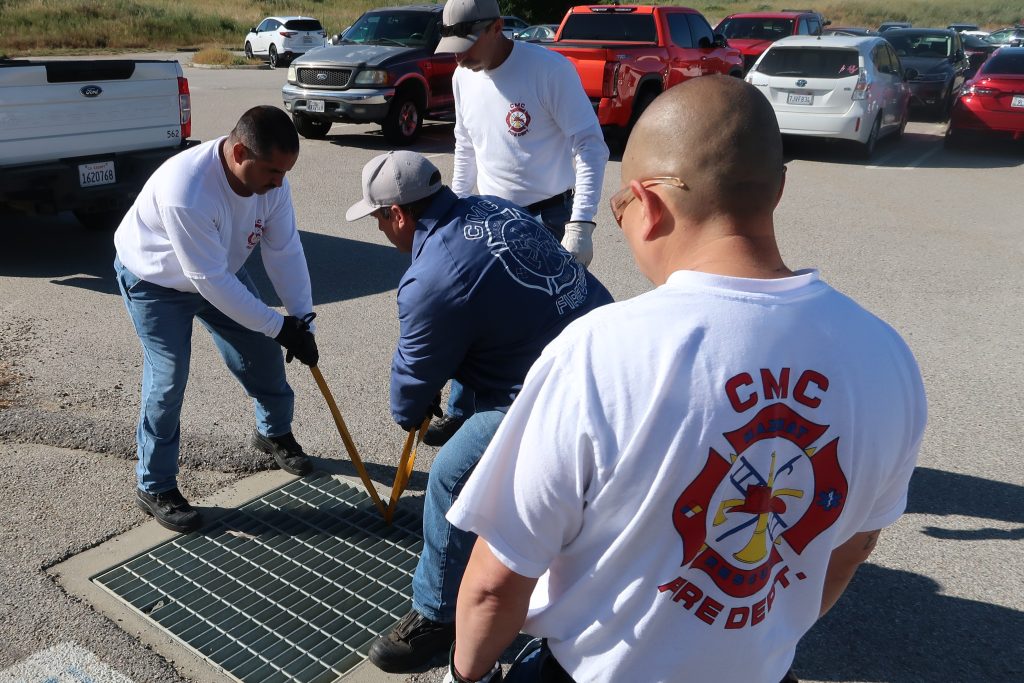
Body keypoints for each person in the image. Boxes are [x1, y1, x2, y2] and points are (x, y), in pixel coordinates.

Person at [444, 76, 928, 683]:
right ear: (776, 190)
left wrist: (467, 675)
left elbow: (495, 583)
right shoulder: (888, 357)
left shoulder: (601, 351)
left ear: (646, 205)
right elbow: (851, 547)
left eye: (618, 207)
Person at [344, 151, 613, 673]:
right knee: (472, 395)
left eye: (378, 218)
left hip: (555, 392)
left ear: (397, 215)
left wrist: (412, 411)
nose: (381, 229)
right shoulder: (494, 207)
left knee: (452, 477)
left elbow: (413, 378)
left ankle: (436, 616)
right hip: (601, 350)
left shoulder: (431, 276)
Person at [113, 105, 320, 534]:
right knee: (168, 378)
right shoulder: (187, 190)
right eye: (270, 172)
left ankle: (273, 434)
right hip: (157, 280)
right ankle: (155, 485)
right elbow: (208, 281)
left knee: (262, 354)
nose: (279, 184)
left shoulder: (273, 183)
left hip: (217, 268)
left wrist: (302, 320)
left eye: (285, 173)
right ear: (239, 151)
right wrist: (279, 326)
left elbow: (284, 252)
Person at [427, 0, 610, 447]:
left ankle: (533, 423)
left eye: (467, 46)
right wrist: (458, 210)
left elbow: (590, 146)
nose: (459, 57)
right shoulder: (461, 75)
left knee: (538, 329)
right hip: (487, 216)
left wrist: (581, 222)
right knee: (475, 315)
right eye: (452, 48)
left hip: (546, 218)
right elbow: (465, 145)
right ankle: (462, 412)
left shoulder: (550, 70)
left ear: (498, 27)